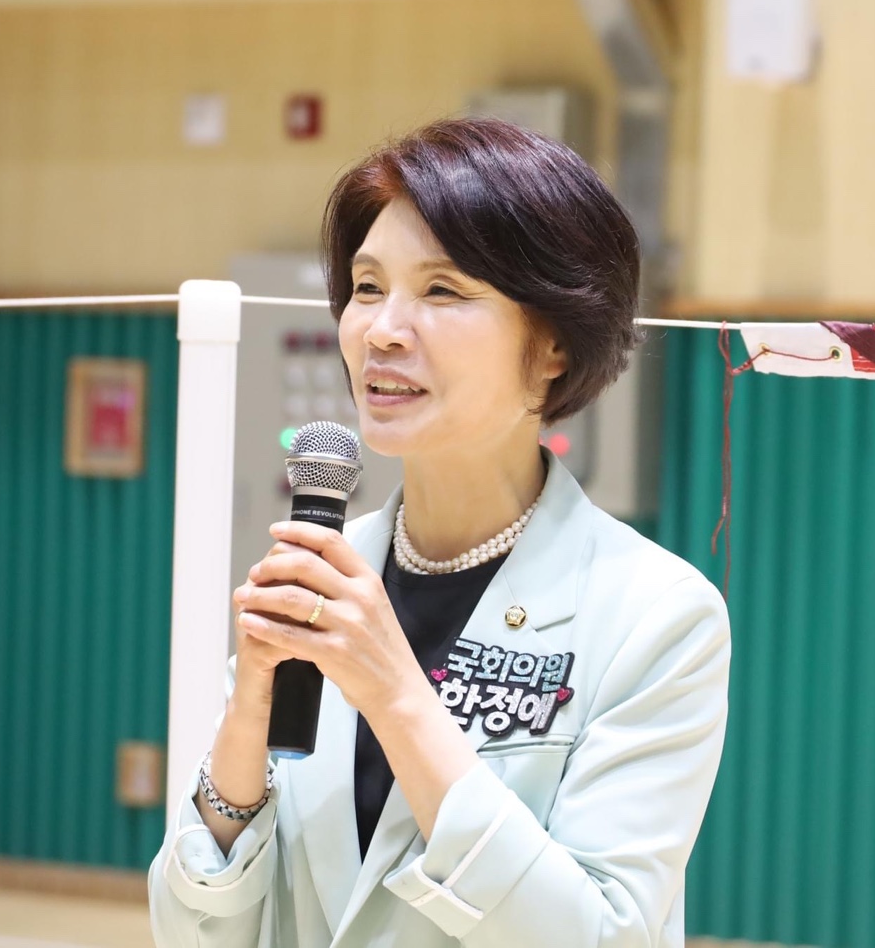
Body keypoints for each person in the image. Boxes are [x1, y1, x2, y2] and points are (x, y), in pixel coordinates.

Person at [150, 118, 730, 947]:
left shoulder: (657, 615)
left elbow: (602, 936)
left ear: (553, 344)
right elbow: (193, 932)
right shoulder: (324, 575)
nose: (382, 330)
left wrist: (395, 695)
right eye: (367, 286)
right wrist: (246, 721)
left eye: (443, 291)